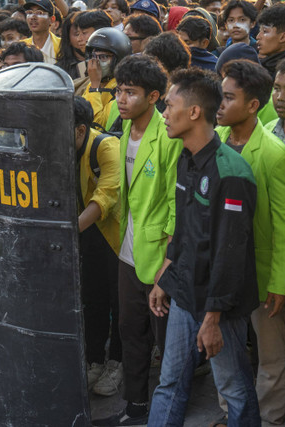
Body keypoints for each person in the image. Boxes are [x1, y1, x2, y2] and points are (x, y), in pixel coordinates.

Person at [148, 66, 260, 427]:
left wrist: (212, 319)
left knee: (234, 388)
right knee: (169, 383)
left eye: (169, 105)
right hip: (185, 294)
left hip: (219, 306)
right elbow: (184, 232)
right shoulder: (185, 158)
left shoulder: (231, 174)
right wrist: (165, 278)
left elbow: (230, 255)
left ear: (194, 112)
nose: (163, 115)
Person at [92, 54, 180, 426]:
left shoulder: (169, 138)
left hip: (159, 256)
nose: (122, 99)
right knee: (131, 333)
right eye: (119, 91)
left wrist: (167, 268)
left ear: (155, 96)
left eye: (131, 93)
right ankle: (136, 406)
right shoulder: (124, 128)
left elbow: (177, 209)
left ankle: (168, 411)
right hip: (127, 253)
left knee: (167, 342)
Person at [215, 59, 285, 427]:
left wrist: (280, 283)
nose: (220, 103)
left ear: (252, 105)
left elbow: (284, 224)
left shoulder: (275, 154)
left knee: (271, 354)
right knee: (223, 349)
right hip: (221, 268)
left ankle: (271, 420)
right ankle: (232, 414)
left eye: (229, 98)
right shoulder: (212, 141)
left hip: (263, 272)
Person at [73, 96, 123, 397]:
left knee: (119, 305)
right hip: (85, 236)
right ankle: (94, 360)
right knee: (92, 301)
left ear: (80, 130)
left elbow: (107, 195)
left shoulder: (104, 147)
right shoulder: (61, 147)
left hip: (114, 239)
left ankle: (117, 362)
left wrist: (68, 231)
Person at [82, 27, 131, 127]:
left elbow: (96, 125)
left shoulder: (121, 90)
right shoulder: (93, 82)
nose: (96, 62)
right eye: (94, 56)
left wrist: (95, 87)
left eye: (103, 57)